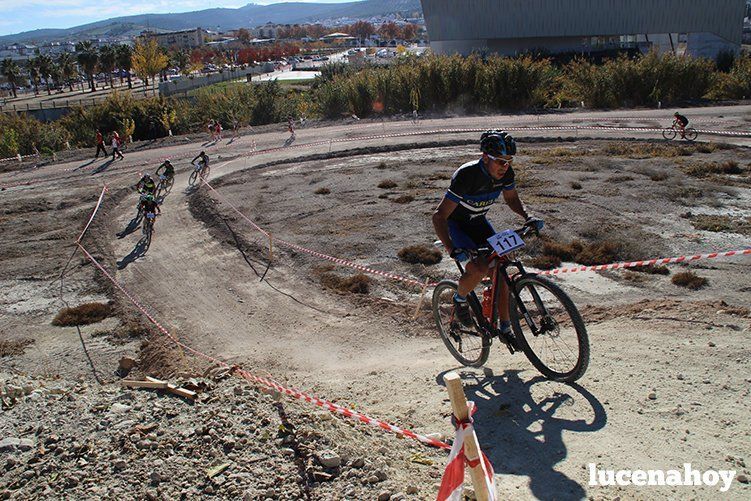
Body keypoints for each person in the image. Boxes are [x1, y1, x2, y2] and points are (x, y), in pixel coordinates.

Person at [432, 130, 543, 336]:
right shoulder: (467, 176)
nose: (505, 166)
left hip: (479, 222)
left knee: (501, 272)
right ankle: (459, 299)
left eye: (509, 161)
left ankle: (506, 328)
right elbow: (439, 216)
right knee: (479, 267)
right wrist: (452, 249)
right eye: (500, 161)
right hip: (456, 225)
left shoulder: (506, 173)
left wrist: (528, 216)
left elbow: (511, 200)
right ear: (485, 157)